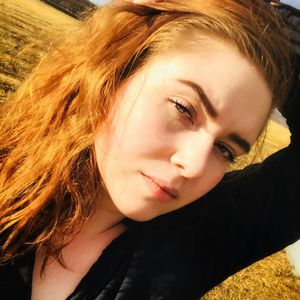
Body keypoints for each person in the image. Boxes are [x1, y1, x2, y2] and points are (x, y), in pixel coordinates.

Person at [0, 0, 299, 299]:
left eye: (225, 150)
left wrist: (264, 19)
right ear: (118, 68)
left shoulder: (197, 238)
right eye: (184, 109)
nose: (194, 166)